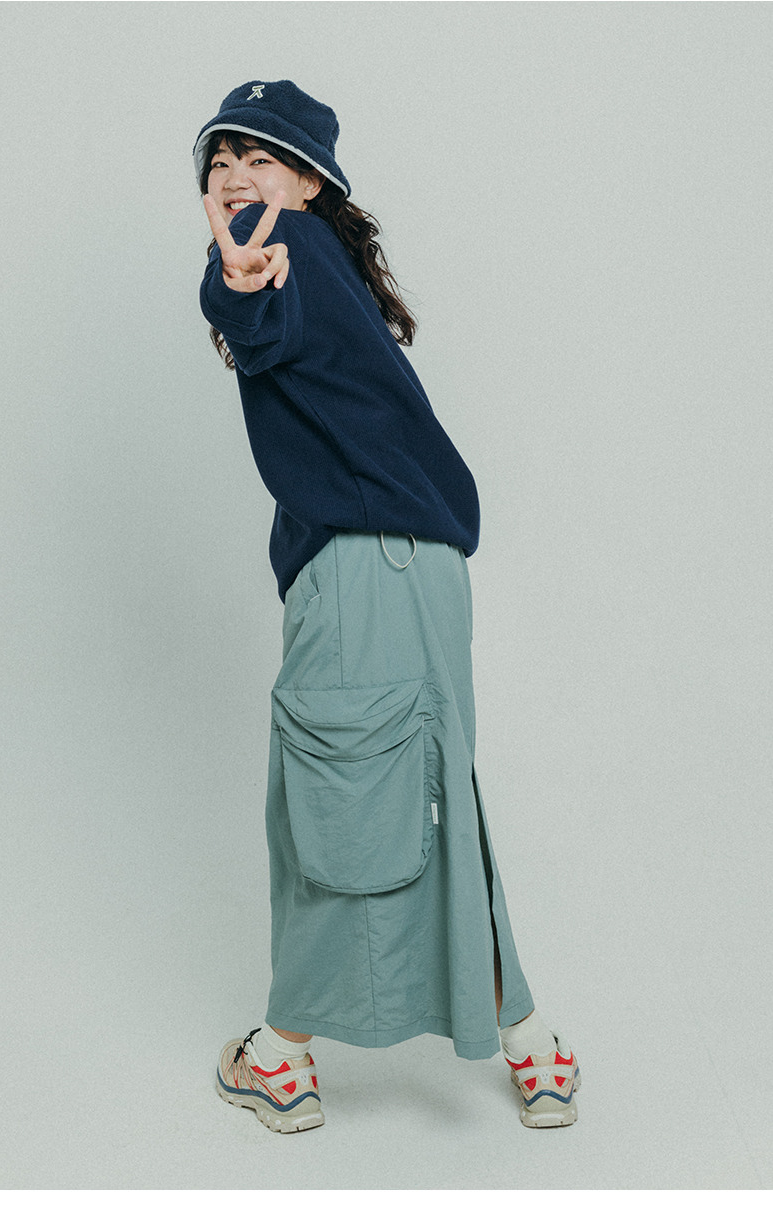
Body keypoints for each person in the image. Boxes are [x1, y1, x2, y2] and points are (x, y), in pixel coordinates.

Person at [194, 79, 580, 1134]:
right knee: (432, 799)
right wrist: (243, 287)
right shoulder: (330, 269)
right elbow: (263, 314)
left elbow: (251, 301)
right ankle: (532, 1047)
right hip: (426, 572)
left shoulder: (285, 248)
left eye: (259, 158)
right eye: (220, 162)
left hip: (362, 576)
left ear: (310, 183)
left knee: (336, 810)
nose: (234, 176)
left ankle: (280, 1059)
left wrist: (236, 280)